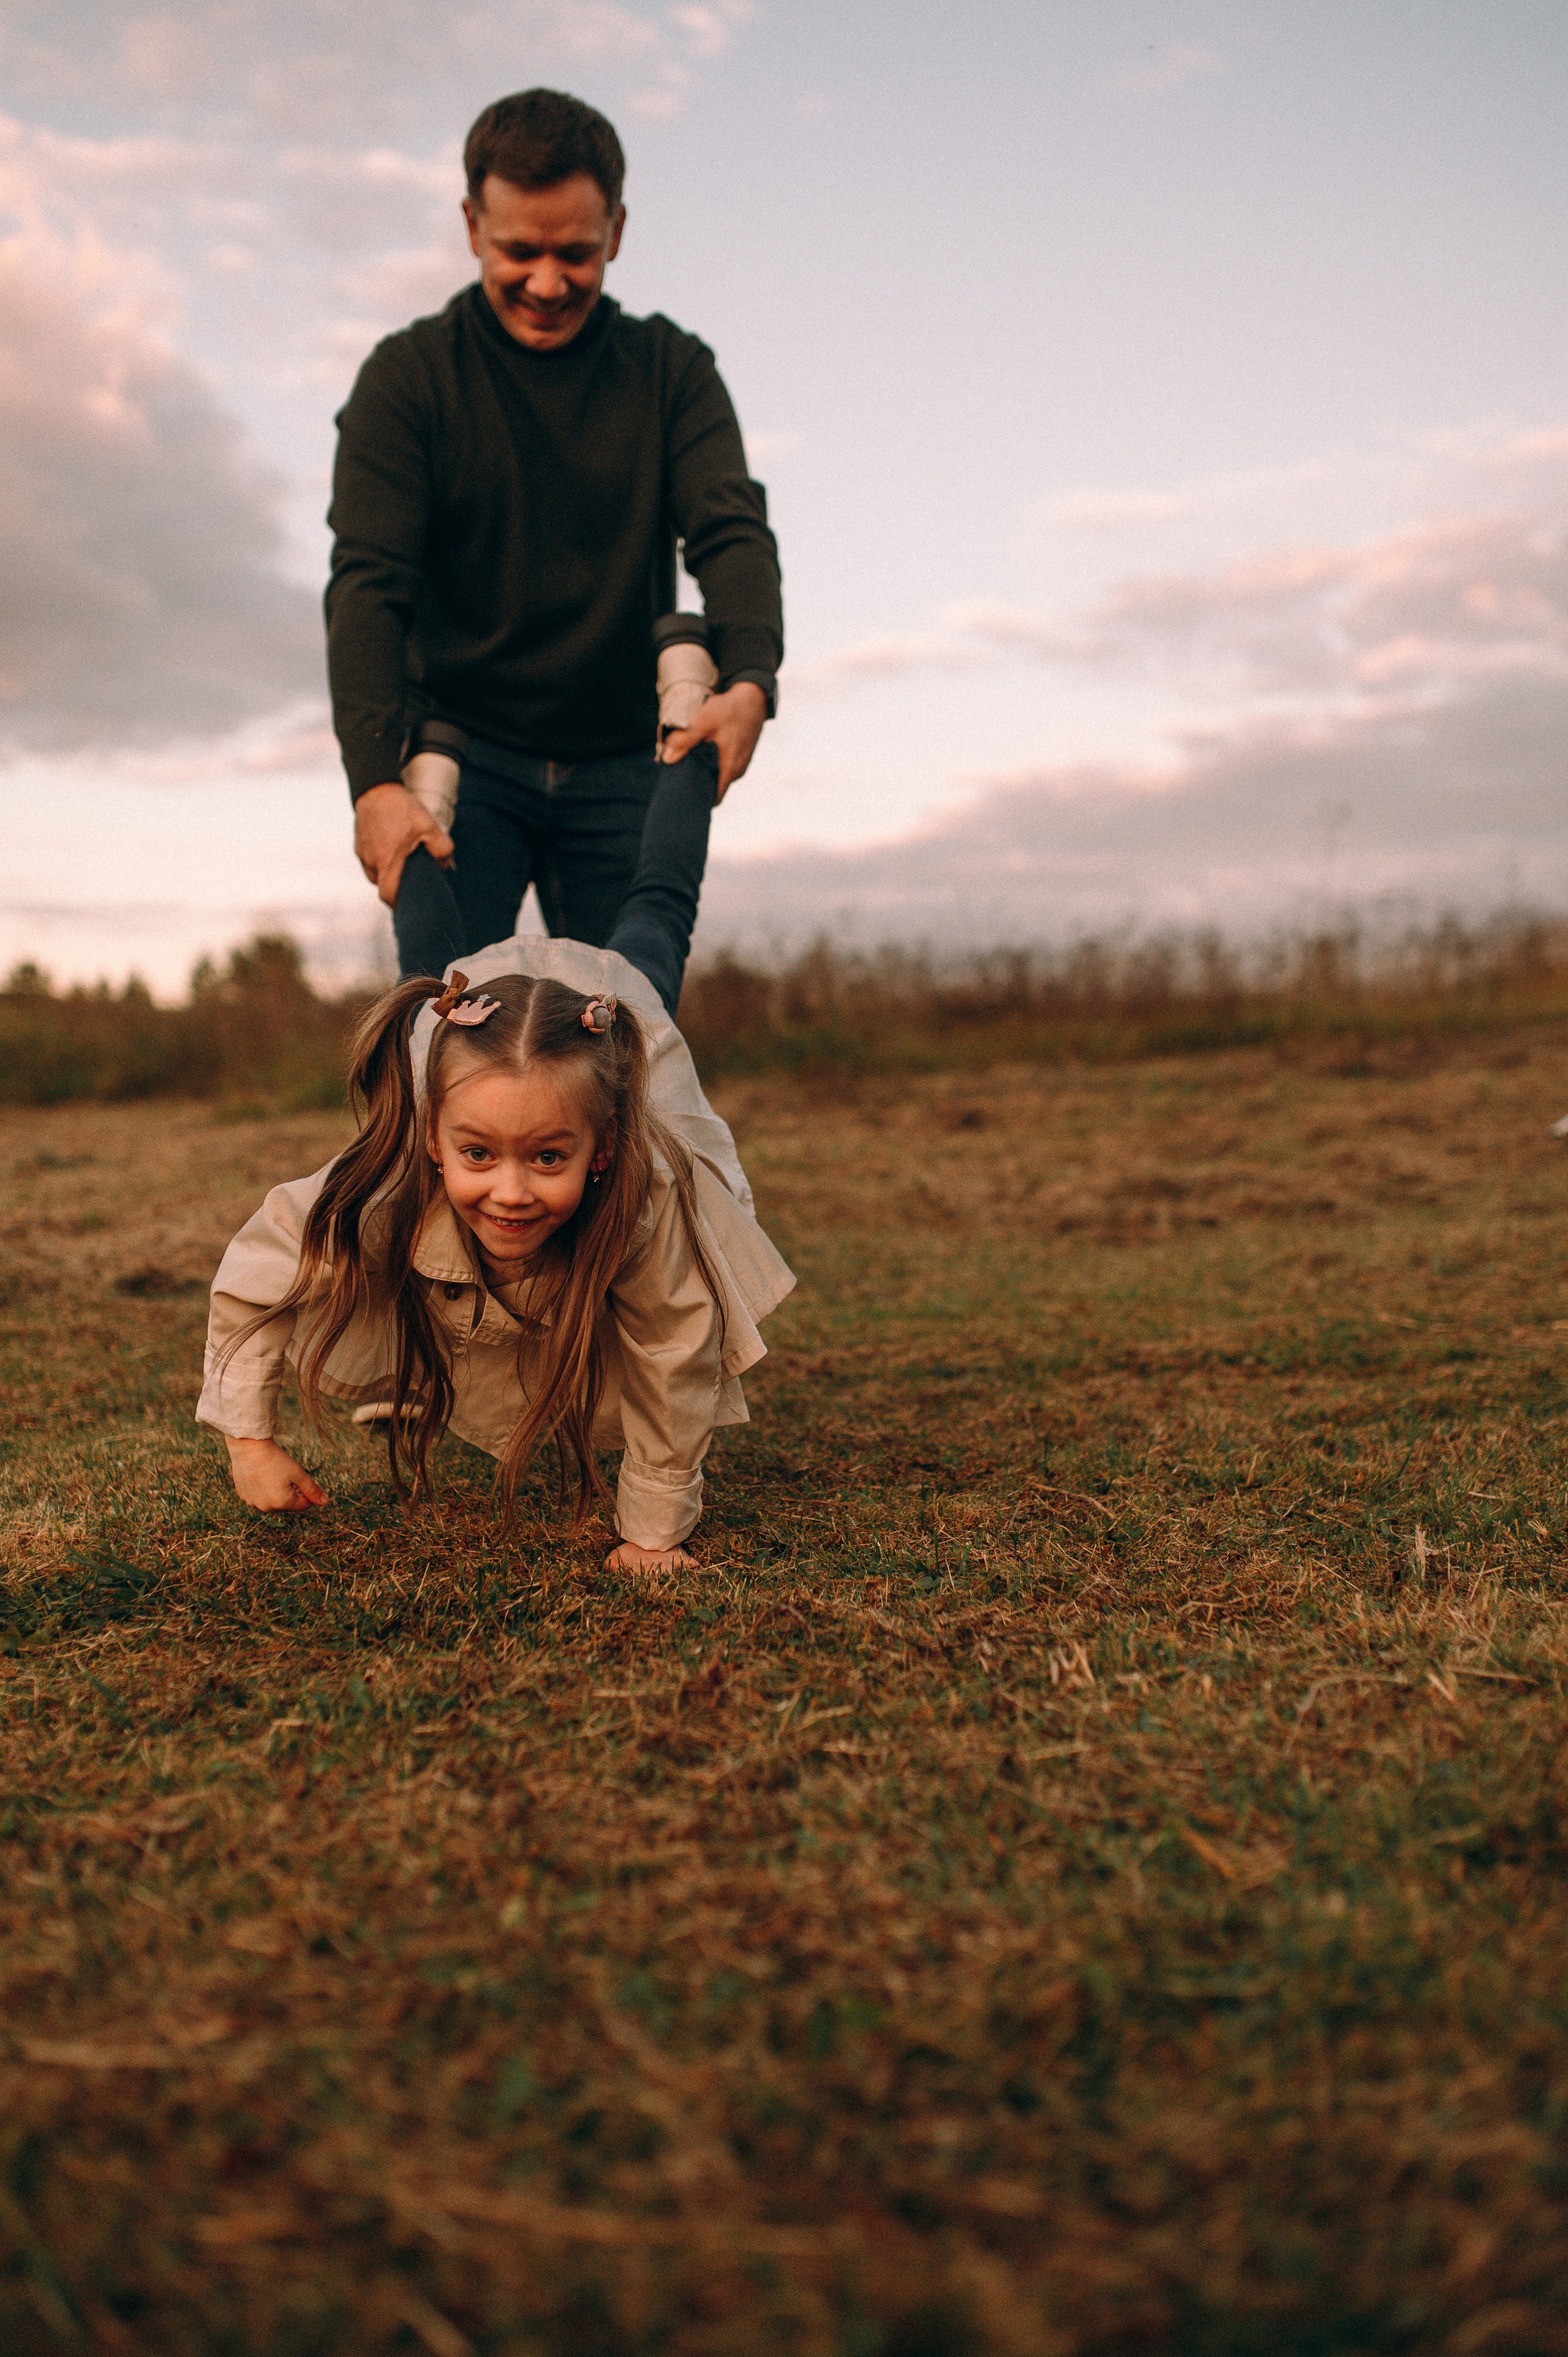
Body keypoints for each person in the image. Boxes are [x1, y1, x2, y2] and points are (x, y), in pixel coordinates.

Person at [195, 774, 794, 1574]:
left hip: (621, 1019)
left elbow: (672, 1347)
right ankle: (415, 830)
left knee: (654, 917)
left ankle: (689, 759)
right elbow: (263, 1275)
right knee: (433, 967)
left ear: (603, 1150)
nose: (511, 1193)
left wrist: (653, 1530)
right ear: (435, 1139)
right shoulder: (391, 1172)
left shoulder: (642, 1190)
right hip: (475, 1034)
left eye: (549, 1159)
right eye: (479, 1156)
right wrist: (248, 1438)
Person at [326, 84, 783, 1002]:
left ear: (616, 231)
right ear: (470, 227)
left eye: (574, 253)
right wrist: (374, 783)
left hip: (626, 756)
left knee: (625, 1047)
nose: (547, 282)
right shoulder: (407, 380)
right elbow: (369, 586)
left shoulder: (672, 372)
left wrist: (750, 680)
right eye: (518, 251)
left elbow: (730, 528)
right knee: (454, 1043)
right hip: (462, 757)